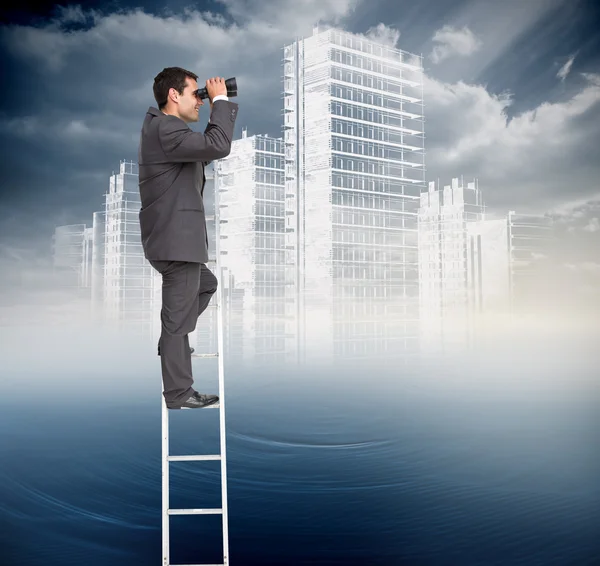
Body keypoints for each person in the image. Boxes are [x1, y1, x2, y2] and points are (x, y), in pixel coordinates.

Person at [137, 67, 238, 409]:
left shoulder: (164, 130)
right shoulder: (166, 128)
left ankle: (173, 342)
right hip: (176, 243)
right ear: (173, 95)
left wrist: (212, 105)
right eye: (195, 93)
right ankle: (178, 392)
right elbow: (218, 145)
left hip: (174, 241)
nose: (200, 100)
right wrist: (220, 100)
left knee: (206, 286)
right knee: (177, 319)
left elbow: (203, 152)